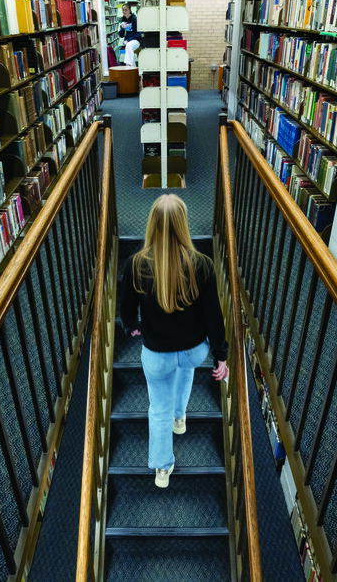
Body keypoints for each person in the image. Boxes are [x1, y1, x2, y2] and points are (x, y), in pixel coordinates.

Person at [120, 195, 228, 488]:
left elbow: (126, 306)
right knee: (187, 368)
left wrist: (132, 328)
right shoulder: (202, 265)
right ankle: (180, 418)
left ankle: (162, 468)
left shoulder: (135, 264)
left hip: (157, 355)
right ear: (183, 225)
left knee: (158, 409)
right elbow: (213, 317)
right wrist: (221, 356)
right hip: (194, 351)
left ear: (152, 224)